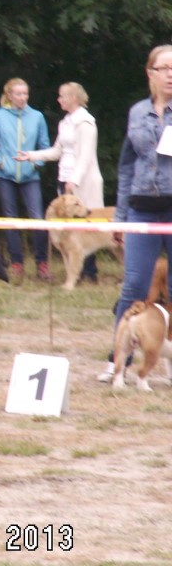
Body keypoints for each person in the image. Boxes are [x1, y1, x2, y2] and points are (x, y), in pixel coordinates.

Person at [100, 45, 172, 383]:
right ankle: (117, 362)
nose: (170, 74)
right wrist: (120, 216)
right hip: (142, 209)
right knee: (134, 286)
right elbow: (126, 167)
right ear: (151, 73)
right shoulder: (136, 112)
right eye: (165, 68)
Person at [15, 82, 103, 282]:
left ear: (73, 98)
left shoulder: (86, 122)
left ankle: (90, 272)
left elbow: (86, 156)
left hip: (83, 180)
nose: (59, 100)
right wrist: (30, 155)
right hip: (65, 178)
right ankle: (76, 272)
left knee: (87, 225)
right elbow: (57, 151)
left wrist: (74, 180)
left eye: (62, 96)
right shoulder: (65, 122)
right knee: (71, 228)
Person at [0, 77, 51, 283]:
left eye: (25, 94)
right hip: (5, 175)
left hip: (31, 176)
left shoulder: (37, 116)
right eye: (18, 94)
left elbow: (45, 147)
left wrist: (36, 164)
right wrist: (0, 162)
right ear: (9, 95)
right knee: (11, 220)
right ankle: (17, 263)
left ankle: (42, 263)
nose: (22, 97)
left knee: (37, 218)